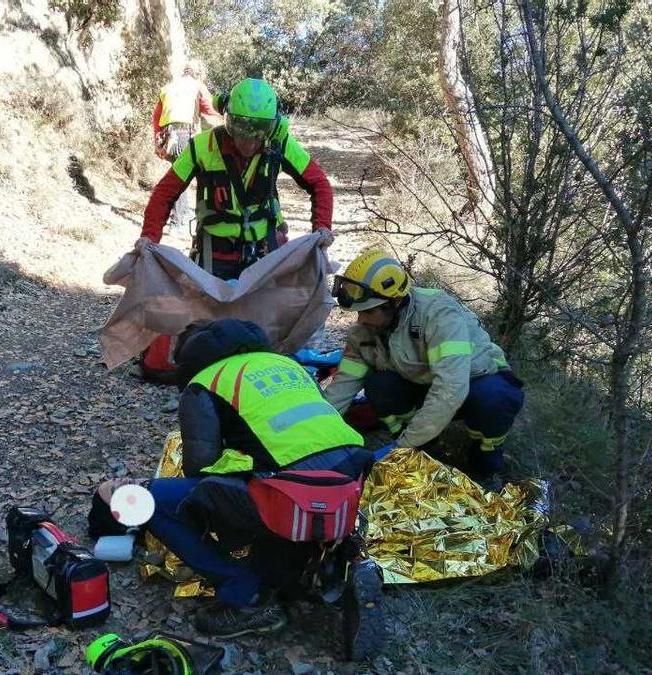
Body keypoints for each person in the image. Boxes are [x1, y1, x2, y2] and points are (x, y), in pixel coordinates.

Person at [145, 319, 374, 637]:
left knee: (152, 500)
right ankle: (328, 563)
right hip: (351, 478)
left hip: (290, 492)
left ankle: (246, 598)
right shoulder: (286, 363)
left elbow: (200, 467)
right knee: (276, 488)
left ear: (192, 359)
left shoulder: (205, 382)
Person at [322, 250, 525, 490]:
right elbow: (343, 386)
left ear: (394, 302)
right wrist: (315, 429)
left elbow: (451, 389)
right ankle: (427, 449)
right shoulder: (365, 331)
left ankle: (485, 462)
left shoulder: (438, 315)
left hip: (473, 382)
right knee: (378, 385)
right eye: (359, 312)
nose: (361, 319)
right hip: (423, 383)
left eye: (368, 311)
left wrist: (401, 448)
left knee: (493, 398)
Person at [135, 78, 334, 281]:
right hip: (215, 252)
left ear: (274, 127)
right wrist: (149, 237)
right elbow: (165, 193)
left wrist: (322, 228)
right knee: (212, 311)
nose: (248, 141)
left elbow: (319, 184)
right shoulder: (202, 147)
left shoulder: (280, 144)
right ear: (227, 117)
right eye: (239, 127)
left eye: (259, 130)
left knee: (268, 312)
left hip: (268, 250)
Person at [151, 61, 221, 232]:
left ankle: (179, 218)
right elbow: (210, 109)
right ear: (198, 73)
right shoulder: (197, 86)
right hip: (185, 134)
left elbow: (156, 117)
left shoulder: (167, 87)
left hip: (168, 137)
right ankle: (181, 222)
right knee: (200, 176)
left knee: (180, 175)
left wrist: (157, 140)